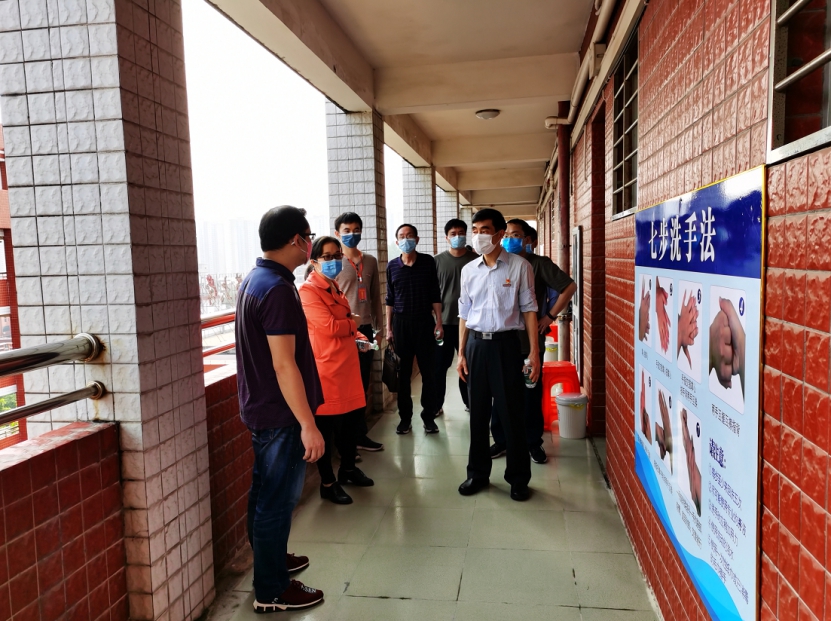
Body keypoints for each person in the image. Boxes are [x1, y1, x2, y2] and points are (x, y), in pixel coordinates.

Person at [235, 206, 326, 613]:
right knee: (276, 502)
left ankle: (271, 562)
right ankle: (271, 590)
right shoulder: (276, 289)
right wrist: (307, 424)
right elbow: (284, 364)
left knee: (263, 494)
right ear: (295, 240)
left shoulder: (255, 279)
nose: (310, 244)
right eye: (309, 236)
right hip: (281, 415)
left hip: (261, 407)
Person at [456, 208, 539, 501]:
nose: (478, 236)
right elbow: (464, 314)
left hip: (506, 347)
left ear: (499, 234)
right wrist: (461, 353)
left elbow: (529, 310)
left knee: (511, 414)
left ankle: (518, 478)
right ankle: (477, 474)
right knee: (477, 415)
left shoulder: (519, 267)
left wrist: (534, 353)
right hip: (476, 347)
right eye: (475, 230)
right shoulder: (469, 270)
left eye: (485, 230)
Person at [490, 218, 577, 464]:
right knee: (501, 393)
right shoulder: (499, 263)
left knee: (530, 393)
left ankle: (532, 442)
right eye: (506, 235)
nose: (509, 239)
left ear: (527, 240)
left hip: (529, 344)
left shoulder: (539, 264)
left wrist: (549, 317)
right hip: (502, 341)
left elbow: (569, 287)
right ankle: (501, 440)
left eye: (516, 235)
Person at [299, 236, 376, 505]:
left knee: (350, 424)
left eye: (336, 256)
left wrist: (359, 336)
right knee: (327, 428)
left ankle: (348, 469)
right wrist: (352, 323)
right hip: (327, 371)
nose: (333, 261)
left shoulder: (334, 287)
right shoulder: (308, 291)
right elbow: (330, 327)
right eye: (327, 257)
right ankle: (328, 483)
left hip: (348, 367)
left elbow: (343, 324)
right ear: (314, 262)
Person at [333, 212, 384, 453]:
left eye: (356, 230)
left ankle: (359, 436)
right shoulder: (333, 263)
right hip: (343, 331)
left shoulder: (370, 261)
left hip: (365, 331)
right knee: (343, 385)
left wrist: (379, 329)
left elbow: (375, 298)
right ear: (337, 233)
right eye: (346, 230)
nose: (351, 234)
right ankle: (344, 443)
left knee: (362, 383)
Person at [385, 223, 443, 434]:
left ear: (417, 239)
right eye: (402, 236)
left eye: (409, 235)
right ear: (396, 241)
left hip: (424, 323)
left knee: (429, 373)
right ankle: (405, 419)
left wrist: (438, 322)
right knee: (403, 375)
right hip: (401, 325)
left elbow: (435, 294)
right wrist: (389, 328)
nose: (405, 239)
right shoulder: (392, 266)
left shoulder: (428, 262)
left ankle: (429, 417)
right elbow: (389, 299)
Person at [433, 219, 478, 415]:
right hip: (443, 324)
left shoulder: (476, 260)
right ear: (446, 237)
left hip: (470, 324)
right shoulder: (437, 261)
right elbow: (431, 293)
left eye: (461, 233)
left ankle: (470, 402)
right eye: (453, 234)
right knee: (439, 367)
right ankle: (436, 405)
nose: (457, 237)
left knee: (467, 366)